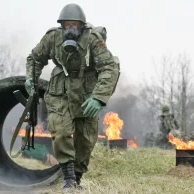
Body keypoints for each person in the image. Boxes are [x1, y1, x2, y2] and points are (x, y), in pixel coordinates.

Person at [24, 3, 120, 191]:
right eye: (67, 25)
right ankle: (68, 178)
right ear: (62, 25)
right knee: (60, 132)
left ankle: (77, 177)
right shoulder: (52, 37)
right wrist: (31, 77)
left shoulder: (93, 39)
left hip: (86, 93)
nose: (71, 29)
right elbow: (35, 58)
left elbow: (109, 67)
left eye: (75, 25)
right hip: (60, 91)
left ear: (81, 26)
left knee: (85, 140)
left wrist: (98, 98)